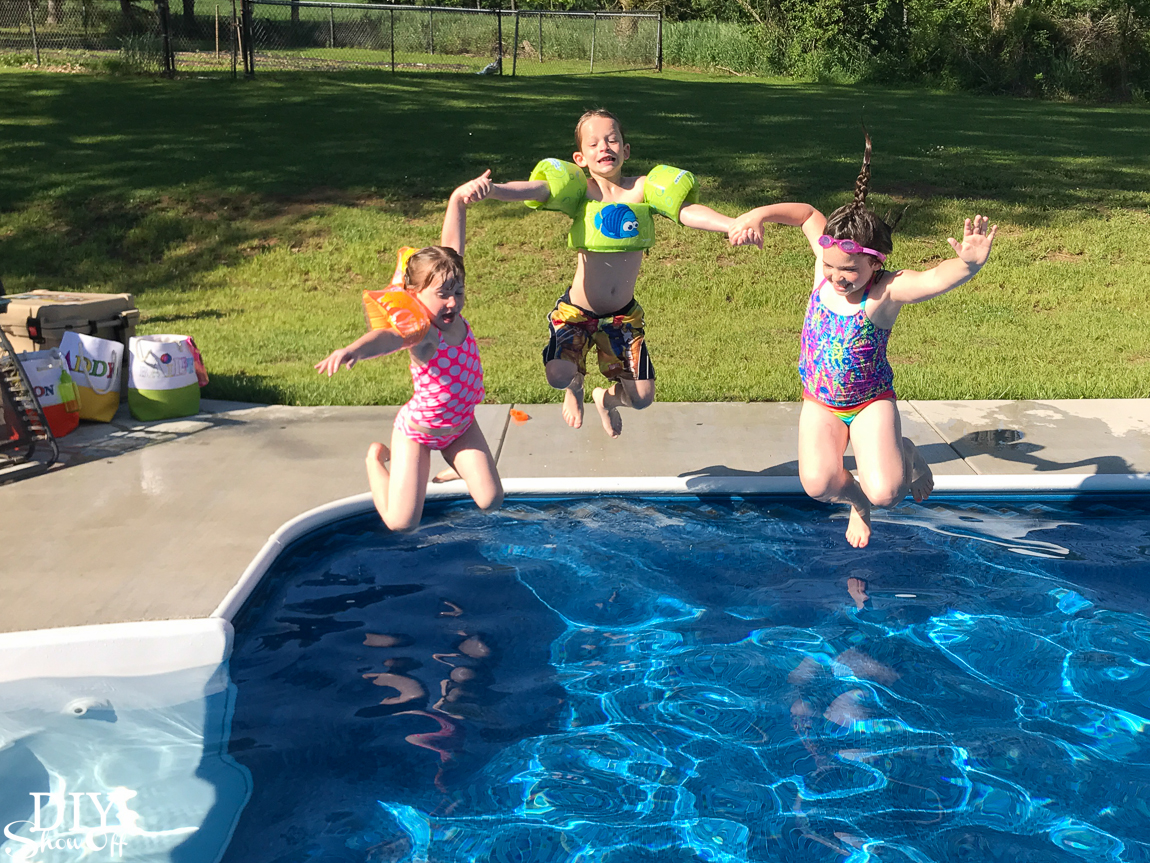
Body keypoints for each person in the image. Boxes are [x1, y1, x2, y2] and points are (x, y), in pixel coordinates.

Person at [729, 135, 997, 548]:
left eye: (850, 270)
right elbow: (806, 214)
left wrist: (968, 265)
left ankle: (907, 452)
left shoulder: (885, 292)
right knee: (818, 484)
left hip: (870, 401)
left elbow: (933, 279)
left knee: (888, 493)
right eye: (831, 266)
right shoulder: (826, 265)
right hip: (821, 401)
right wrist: (759, 214)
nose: (837, 276)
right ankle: (857, 504)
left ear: (875, 263)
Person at [468, 108, 746, 438]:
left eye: (612, 140)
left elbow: (686, 211)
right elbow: (536, 189)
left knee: (642, 398)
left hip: (622, 318)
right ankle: (575, 385)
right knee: (558, 374)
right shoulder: (580, 191)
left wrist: (732, 224)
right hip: (577, 313)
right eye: (594, 143)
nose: (604, 147)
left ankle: (606, 399)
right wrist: (495, 189)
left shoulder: (644, 189)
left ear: (625, 150)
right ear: (580, 158)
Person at [315, 172, 503, 531]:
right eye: (442, 295)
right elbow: (386, 338)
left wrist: (457, 200)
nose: (452, 302)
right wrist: (353, 350)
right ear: (415, 295)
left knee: (491, 500)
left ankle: (456, 463)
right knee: (401, 523)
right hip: (419, 431)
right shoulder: (423, 333)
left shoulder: (450, 305)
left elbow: (452, 249)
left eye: (458, 292)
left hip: (461, 425)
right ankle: (374, 461)